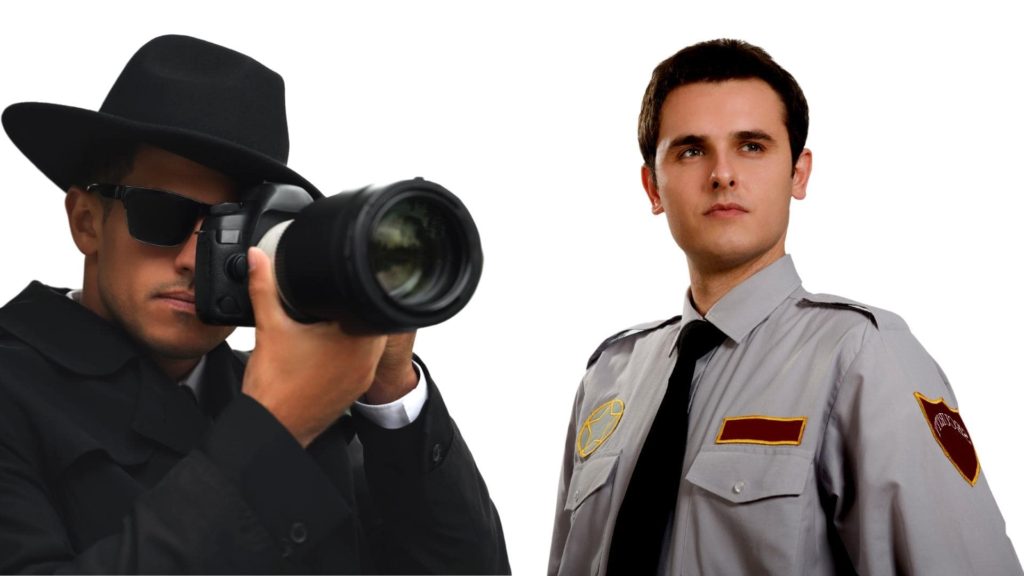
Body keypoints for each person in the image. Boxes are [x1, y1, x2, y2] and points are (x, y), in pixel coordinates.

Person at [0, 34, 509, 574]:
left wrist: (392, 395)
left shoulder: (304, 397)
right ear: (86, 221)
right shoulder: (15, 390)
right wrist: (273, 432)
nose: (194, 259)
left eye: (230, 234)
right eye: (161, 216)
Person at [548, 39, 1022, 575]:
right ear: (652, 187)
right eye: (691, 151)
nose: (722, 174)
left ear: (798, 173)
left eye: (751, 146)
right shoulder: (609, 377)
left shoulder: (861, 358)